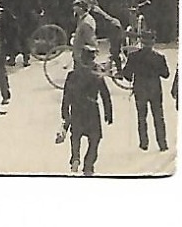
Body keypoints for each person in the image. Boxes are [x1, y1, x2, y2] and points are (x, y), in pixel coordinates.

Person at [61, 45, 114, 176]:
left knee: (76, 136)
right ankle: (88, 164)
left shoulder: (72, 75)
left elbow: (66, 95)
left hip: (77, 109)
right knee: (95, 138)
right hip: (92, 110)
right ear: (92, 60)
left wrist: (65, 112)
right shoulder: (97, 76)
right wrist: (108, 113)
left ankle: (75, 158)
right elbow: (105, 95)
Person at [121, 31, 171, 151]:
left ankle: (144, 143)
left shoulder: (133, 57)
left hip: (140, 89)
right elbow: (166, 74)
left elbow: (126, 74)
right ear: (153, 43)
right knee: (158, 117)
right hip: (155, 90)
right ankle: (162, 143)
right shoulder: (159, 57)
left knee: (141, 117)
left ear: (141, 42)